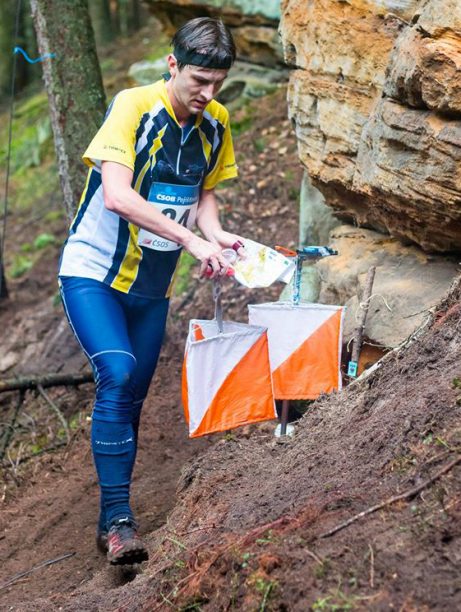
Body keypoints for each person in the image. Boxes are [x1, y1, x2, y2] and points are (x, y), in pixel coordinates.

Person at [58, 17, 245, 565]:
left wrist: (216, 234)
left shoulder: (216, 120)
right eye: (198, 82)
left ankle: (109, 520)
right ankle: (120, 522)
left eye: (217, 83)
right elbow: (116, 195)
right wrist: (190, 239)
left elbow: (203, 192)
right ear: (172, 66)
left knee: (131, 398)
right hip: (93, 272)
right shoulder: (133, 106)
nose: (208, 95)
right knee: (115, 371)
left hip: (152, 286)